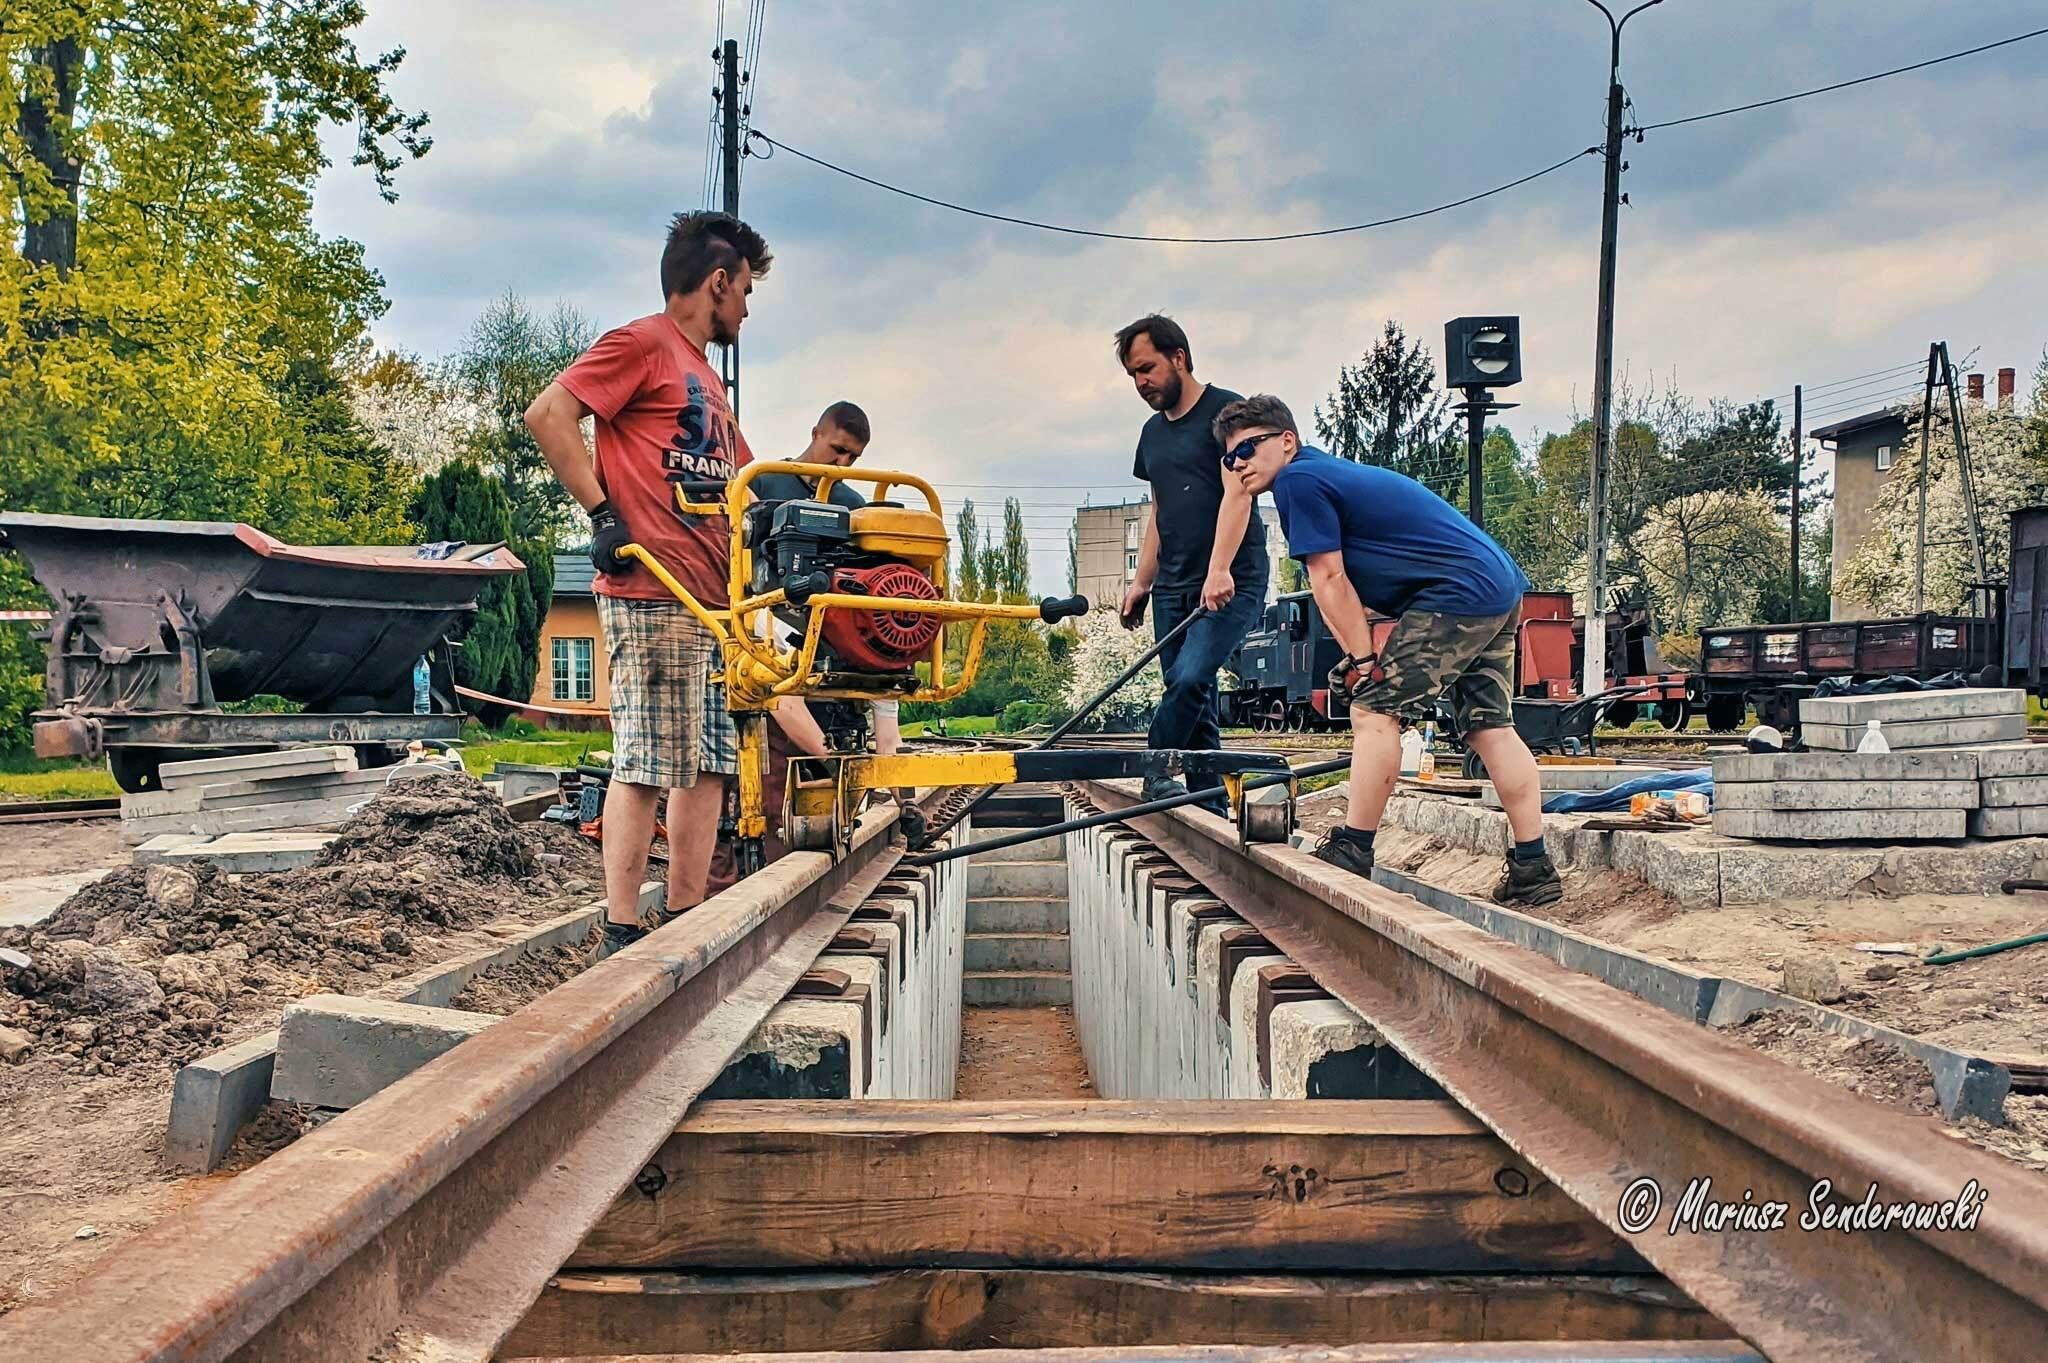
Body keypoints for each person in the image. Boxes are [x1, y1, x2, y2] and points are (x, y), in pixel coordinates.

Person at [523, 210, 771, 954]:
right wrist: (603, 513)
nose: (747, 309)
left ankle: (685, 918)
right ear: (717, 282)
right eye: (745, 292)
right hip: (652, 584)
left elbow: (753, 484)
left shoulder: (706, 380)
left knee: (709, 764)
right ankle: (621, 926)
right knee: (648, 756)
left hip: (710, 600)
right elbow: (549, 413)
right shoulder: (642, 343)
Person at [1213, 394, 1562, 907]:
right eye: (1229, 458)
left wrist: (1363, 661)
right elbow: (1342, 589)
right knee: (1489, 725)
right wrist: (1359, 653)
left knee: (1374, 710)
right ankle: (1534, 867)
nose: (1238, 464)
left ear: (1286, 441)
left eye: (1247, 448)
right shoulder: (1324, 476)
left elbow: (1327, 578)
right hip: (1498, 586)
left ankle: (1354, 848)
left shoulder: (1297, 481)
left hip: (1459, 593)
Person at [703, 400, 904, 894]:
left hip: (831, 647)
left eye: (852, 457)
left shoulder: (858, 507)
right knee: (750, 792)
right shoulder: (764, 484)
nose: (841, 464)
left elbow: (886, 728)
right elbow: (782, 697)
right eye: (836, 449)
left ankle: (801, 884)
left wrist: (902, 797)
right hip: (762, 639)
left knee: (812, 793)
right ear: (815, 431)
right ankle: (728, 897)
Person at [1112, 314, 1268, 814]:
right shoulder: (1152, 434)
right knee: (1192, 694)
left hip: (1232, 577)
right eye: (1133, 375)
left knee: (1190, 676)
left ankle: (1156, 769)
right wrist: (1141, 582)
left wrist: (1219, 569)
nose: (1141, 383)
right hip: (1173, 583)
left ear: (1178, 357)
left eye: (1147, 368)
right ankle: (1210, 805)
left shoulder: (1228, 413)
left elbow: (1238, 494)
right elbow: (1160, 508)